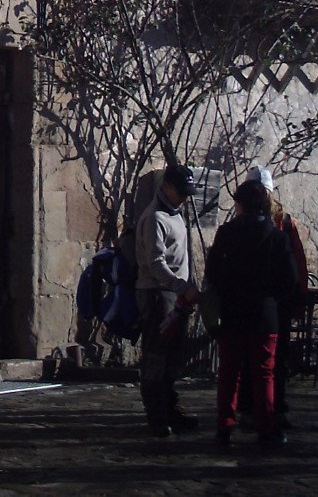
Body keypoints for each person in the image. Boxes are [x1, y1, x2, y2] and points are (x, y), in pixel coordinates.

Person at [208, 178, 298, 446]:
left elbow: (213, 272)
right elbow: (290, 279)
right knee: (264, 374)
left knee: (229, 372)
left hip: (233, 310)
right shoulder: (276, 236)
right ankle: (266, 426)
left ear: (240, 204)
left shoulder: (226, 233)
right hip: (264, 312)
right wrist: (271, 298)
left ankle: (224, 425)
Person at [236, 165, 308, 428]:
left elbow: (295, 263)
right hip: (253, 301)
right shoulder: (239, 225)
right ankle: (249, 406)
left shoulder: (285, 224)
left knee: (275, 361)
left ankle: (273, 406)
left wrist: (294, 297)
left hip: (275, 303)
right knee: (249, 359)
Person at [134, 164, 200, 438]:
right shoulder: (155, 218)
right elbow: (155, 263)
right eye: (180, 192)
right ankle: (156, 413)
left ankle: (170, 407)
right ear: (167, 187)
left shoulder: (176, 215)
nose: (184, 198)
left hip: (177, 295)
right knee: (156, 356)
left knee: (173, 356)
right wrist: (180, 286)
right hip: (158, 294)